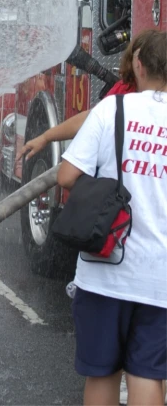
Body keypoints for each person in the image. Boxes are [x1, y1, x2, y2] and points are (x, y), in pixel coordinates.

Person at [57, 30, 167, 406]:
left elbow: (66, 175)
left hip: (106, 270)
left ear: (137, 65)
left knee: (102, 374)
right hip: (160, 277)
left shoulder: (112, 110)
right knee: (149, 376)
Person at [19, 30, 155, 162]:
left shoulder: (124, 93)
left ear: (138, 65)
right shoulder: (126, 88)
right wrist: (46, 137)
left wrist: (45, 137)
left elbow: (66, 177)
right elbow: (93, 117)